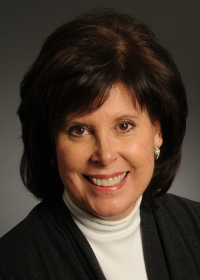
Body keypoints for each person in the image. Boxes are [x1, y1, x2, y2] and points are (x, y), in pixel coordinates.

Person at [0, 8, 200, 280]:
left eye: (124, 126)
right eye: (79, 130)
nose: (105, 155)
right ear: (51, 142)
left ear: (157, 131)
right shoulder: (11, 265)